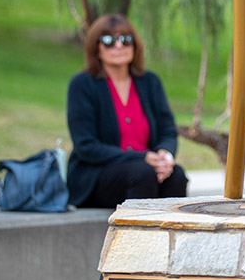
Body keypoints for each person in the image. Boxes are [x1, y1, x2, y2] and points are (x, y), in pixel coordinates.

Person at [66, 13, 188, 208]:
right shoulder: (83, 84)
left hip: (146, 168)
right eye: (108, 41)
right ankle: (139, 239)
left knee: (177, 176)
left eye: (126, 39)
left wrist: (164, 156)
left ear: (135, 45)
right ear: (96, 48)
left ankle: (173, 238)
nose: (119, 46)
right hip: (98, 175)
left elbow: (168, 130)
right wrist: (143, 157)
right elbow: (86, 146)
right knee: (142, 173)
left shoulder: (150, 82)